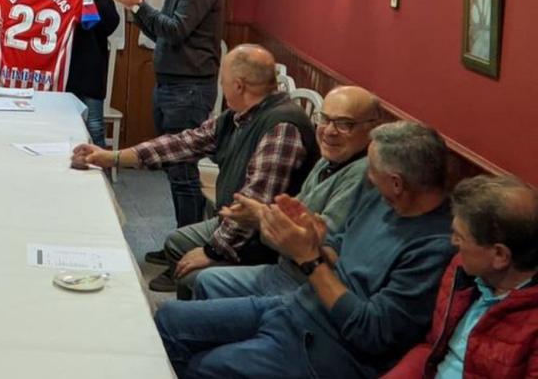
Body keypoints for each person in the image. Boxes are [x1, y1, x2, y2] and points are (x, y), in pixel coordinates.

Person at [154, 121, 456, 378]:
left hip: (328, 349)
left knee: (201, 366)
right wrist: (314, 241)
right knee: (168, 319)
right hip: (294, 307)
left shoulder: (434, 248)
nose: (367, 174)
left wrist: (309, 260)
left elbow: (371, 332)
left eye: (372, 169)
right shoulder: (381, 198)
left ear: (397, 183)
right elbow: (339, 247)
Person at [72, 44, 317, 295]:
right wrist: (112, 157)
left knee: (193, 277)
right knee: (176, 243)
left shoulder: (281, 128)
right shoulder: (240, 115)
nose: (221, 87)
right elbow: (183, 143)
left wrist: (212, 252)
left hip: (264, 242)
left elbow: (250, 209)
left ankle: (201, 322)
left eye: (223, 81)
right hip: (236, 223)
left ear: (239, 86)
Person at [192, 86, 381, 300]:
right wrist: (262, 217)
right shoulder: (330, 160)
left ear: (372, 128)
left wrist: (262, 218)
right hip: (284, 270)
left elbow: (310, 246)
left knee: (189, 293)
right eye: (325, 119)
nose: (329, 131)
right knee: (205, 280)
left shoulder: (361, 175)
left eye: (345, 124)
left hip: (304, 289)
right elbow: (289, 217)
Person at [109, 0, 224, 229]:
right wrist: (135, 10)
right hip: (173, 87)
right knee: (175, 169)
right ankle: (181, 240)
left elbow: (175, 30)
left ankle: (187, 244)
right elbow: (163, 33)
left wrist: (139, 5)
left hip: (189, 90)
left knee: (183, 171)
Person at [384, 175, 538, 379]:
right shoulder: (462, 271)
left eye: (461, 237)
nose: (453, 242)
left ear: (500, 255)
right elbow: (432, 347)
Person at [45, 0, 121, 146]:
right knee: (56, 124)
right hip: (58, 67)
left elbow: (111, 23)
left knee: (94, 125)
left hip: (90, 65)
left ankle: (101, 176)